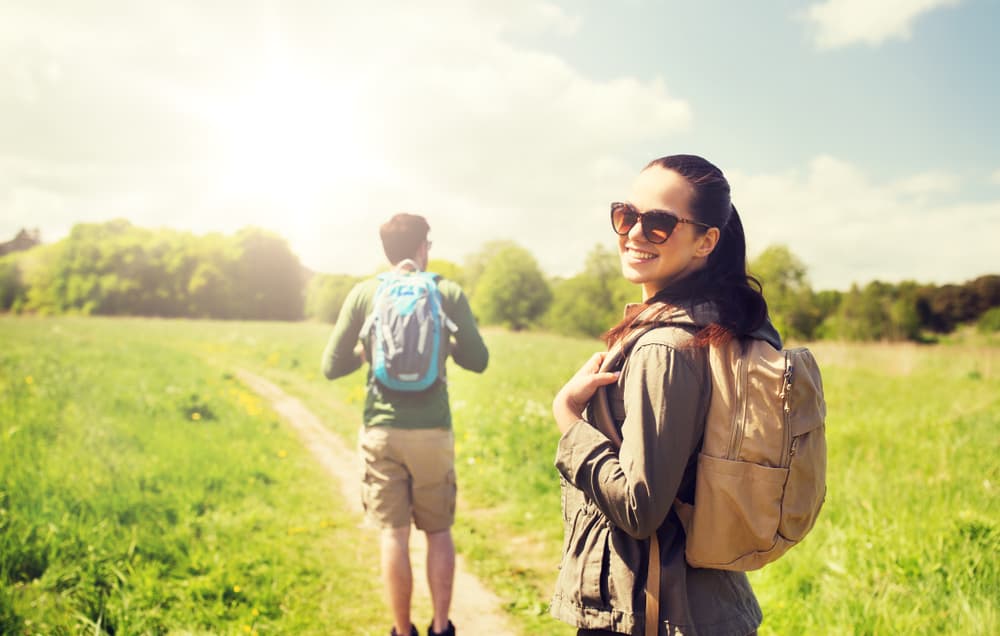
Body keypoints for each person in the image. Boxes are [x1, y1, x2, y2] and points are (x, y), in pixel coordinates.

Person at [549, 154, 781, 635]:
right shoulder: (716, 325)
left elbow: (641, 508)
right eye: (626, 215)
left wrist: (569, 415)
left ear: (706, 241)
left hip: (654, 613)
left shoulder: (666, 348)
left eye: (658, 223)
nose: (633, 233)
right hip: (705, 604)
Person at [322, 213, 488, 636]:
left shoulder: (365, 293)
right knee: (438, 532)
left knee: (393, 536)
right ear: (422, 247)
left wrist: (367, 351)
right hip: (433, 431)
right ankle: (439, 628)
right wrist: (445, 345)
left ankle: (401, 630)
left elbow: (331, 366)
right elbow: (479, 360)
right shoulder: (446, 291)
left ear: (386, 251)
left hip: (382, 430)